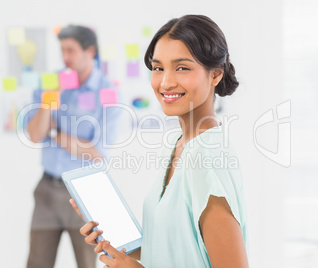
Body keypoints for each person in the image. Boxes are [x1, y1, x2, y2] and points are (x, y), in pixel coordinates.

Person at [70, 14, 250, 268]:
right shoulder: (179, 144)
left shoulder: (207, 160)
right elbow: (175, 250)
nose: (165, 82)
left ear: (215, 76)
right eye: (158, 68)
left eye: (182, 67)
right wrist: (117, 242)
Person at [24, 25, 121, 268]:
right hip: (46, 190)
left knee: (87, 263)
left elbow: (96, 152)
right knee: (36, 263)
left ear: (89, 51)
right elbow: (35, 134)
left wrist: (54, 132)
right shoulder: (50, 84)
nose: (65, 57)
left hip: (83, 193)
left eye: (70, 50)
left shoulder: (108, 92)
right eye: (62, 50)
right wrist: (51, 97)